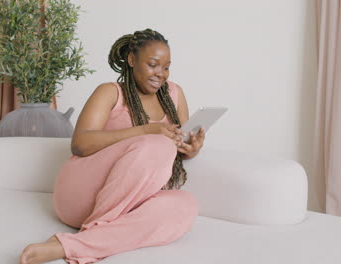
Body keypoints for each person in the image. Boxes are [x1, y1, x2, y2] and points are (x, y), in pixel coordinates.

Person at [20, 28, 204, 264]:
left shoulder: (175, 94)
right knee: (158, 145)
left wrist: (191, 148)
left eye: (166, 67)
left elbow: (171, 151)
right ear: (131, 60)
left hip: (132, 203)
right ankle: (94, 233)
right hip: (83, 193)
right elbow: (80, 144)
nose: (161, 73)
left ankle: (70, 245)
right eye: (153, 64)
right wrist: (146, 131)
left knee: (185, 206)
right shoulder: (110, 92)